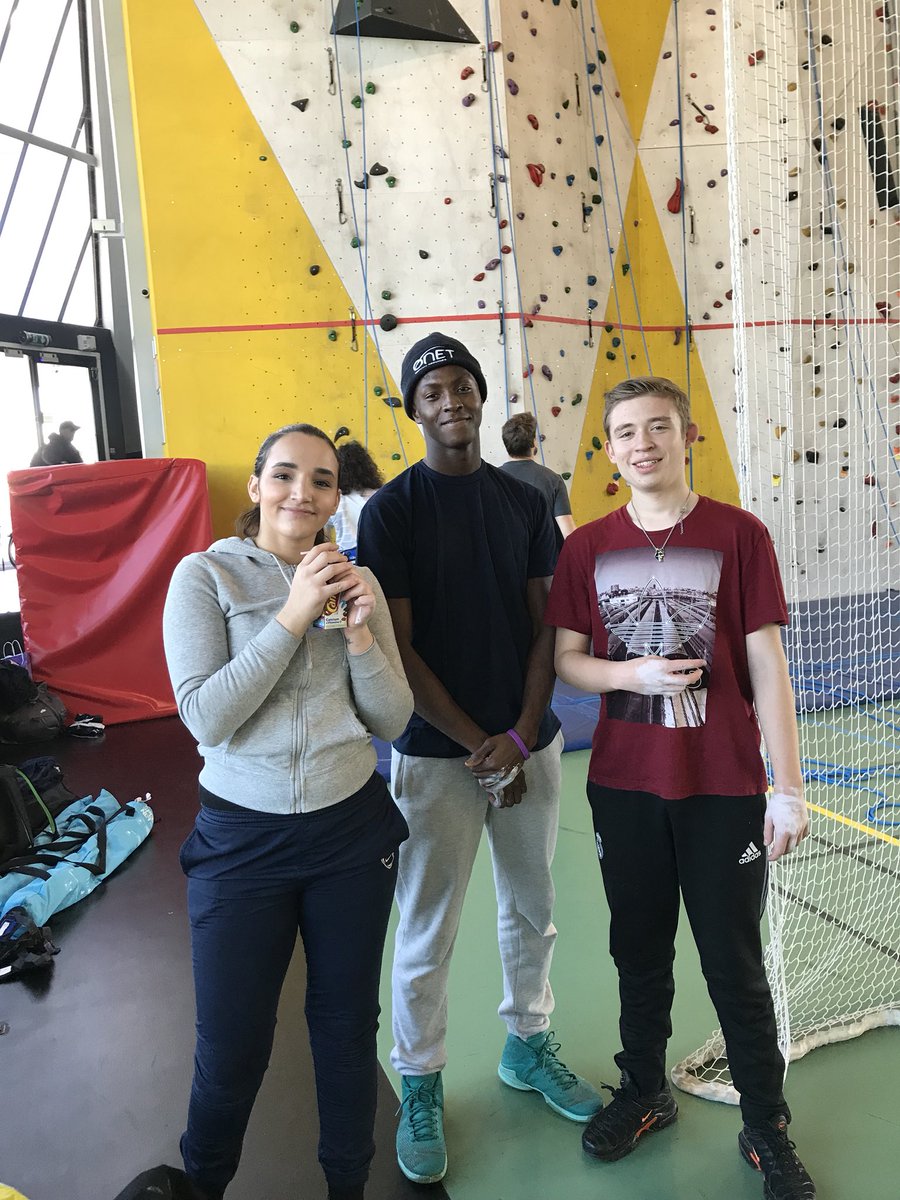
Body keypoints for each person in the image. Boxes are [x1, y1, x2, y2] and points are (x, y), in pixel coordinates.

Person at [544, 376, 815, 1200]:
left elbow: (766, 662)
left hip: (723, 787)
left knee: (733, 961)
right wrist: (634, 672)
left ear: (686, 434)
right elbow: (567, 660)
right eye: (625, 432)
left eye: (656, 426)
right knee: (638, 949)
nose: (641, 444)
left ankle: (766, 1124)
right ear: (611, 449)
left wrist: (787, 785)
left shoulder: (739, 535)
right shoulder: (587, 546)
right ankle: (644, 1090)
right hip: (625, 788)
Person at [356, 333, 601, 1187]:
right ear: (415, 408)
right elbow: (399, 651)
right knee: (429, 925)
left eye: (463, 386)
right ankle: (420, 1078)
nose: (451, 400)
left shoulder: (524, 500)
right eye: (433, 391)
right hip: (435, 758)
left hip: (527, 745)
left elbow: (547, 624)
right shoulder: (390, 513)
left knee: (532, 906)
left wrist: (525, 733)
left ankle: (528, 1046)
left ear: (481, 398)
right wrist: (477, 746)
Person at [161, 422, 414, 1200]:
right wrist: (292, 614)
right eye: (284, 475)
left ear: (338, 496)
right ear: (257, 487)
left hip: (351, 834)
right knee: (233, 1045)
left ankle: (348, 1186)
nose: (302, 493)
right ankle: (203, 1185)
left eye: (322, 480)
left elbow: (394, 719)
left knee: (345, 1035)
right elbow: (206, 716)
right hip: (243, 843)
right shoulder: (205, 578)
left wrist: (364, 635)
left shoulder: (351, 579)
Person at [499, 411, 576, 541]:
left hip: (505, 558)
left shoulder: (491, 479)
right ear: (534, 443)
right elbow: (568, 533)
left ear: (506, 444)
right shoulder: (553, 480)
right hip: (544, 559)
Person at [326, 440, 384, 556]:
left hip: (347, 561)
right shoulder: (380, 495)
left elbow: (324, 536)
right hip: (378, 555)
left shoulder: (336, 500)